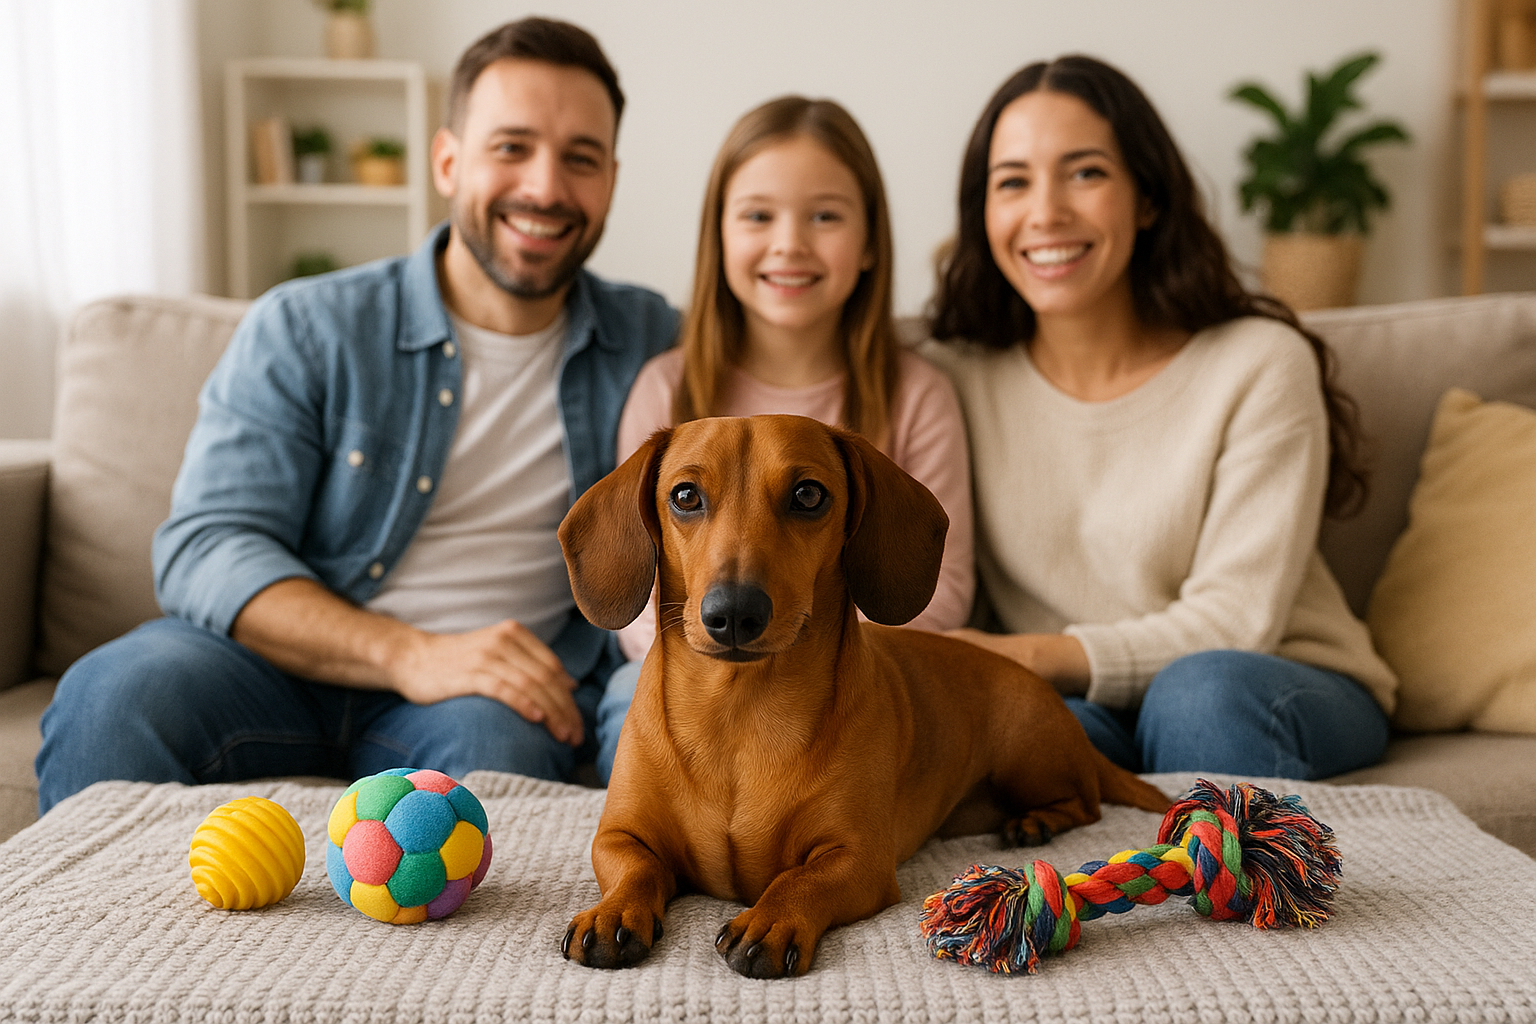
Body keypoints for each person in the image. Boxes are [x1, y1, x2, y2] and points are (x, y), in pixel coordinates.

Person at [34, 17, 679, 813]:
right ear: (448, 159)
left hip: (483, 700)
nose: (545, 187)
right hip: (266, 668)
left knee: (499, 764)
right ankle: (97, 942)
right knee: (110, 698)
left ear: (611, 177)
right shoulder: (307, 327)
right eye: (511, 147)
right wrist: (407, 653)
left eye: (580, 159)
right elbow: (206, 546)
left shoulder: (657, 342)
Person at [922, 55, 1397, 780]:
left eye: (1085, 173)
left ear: (1147, 199)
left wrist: (1022, 653)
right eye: (1012, 181)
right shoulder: (950, 378)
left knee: (1196, 695)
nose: (1045, 211)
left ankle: (1256, 890)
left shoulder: (1259, 363)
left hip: (1275, 677)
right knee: (1019, 739)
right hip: (1085, 697)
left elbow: (1237, 621)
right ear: (982, 215)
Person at [593, 95, 975, 782]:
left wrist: (802, 660)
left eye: (824, 215)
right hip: (690, 669)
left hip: (850, 676)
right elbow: (633, 588)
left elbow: (939, 591)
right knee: (627, 702)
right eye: (758, 215)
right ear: (720, 238)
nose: (790, 242)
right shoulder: (666, 388)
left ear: (868, 245)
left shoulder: (917, 392)